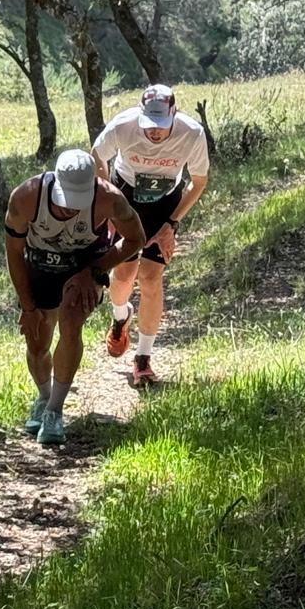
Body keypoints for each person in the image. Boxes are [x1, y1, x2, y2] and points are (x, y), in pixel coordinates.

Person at [4, 148, 146, 444]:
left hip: (85, 266)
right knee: (37, 341)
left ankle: (55, 410)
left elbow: (136, 238)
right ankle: (44, 397)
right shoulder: (26, 197)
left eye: (78, 201)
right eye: (66, 201)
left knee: (70, 323)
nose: (71, 209)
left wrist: (95, 270)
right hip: (39, 264)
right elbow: (14, 252)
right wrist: (28, 308)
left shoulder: (110, 199)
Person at [92, 83, 211, 385]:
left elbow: (198, 182)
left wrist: (171, 224)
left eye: (161, 125)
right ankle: (121, 316)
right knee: (123, 276)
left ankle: (143, 358)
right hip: (126, 199)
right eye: (149, 124)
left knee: (150, 277)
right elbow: (96, 155)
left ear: (174, 114)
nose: (155, 132)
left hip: (164, 204)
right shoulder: (123, 125)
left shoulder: (192, 133)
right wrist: (109, 206)